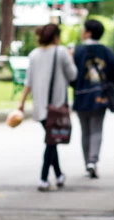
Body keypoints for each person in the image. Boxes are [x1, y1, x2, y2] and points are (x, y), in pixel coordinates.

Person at [18, 24, 77, 191]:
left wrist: (21, 103)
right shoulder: (61, 52)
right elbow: (73, 75)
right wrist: (71, 58)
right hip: (56, 105)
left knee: (52, 140)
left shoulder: (34, 55)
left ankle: (58, 175)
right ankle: (43, 178)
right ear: (56, 36)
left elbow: (28, 81)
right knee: (51, 142)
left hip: (40, 106)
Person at [73, 18, 114, 179]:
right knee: (96, 130)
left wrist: (77, 85)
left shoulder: (77, 51)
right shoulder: (106, 51)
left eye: (83, 29)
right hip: (100, 97)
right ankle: (93, 161)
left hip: (81, 96)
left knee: (85, 131)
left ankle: (87, 163)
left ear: (88, 32)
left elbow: (71, 75)